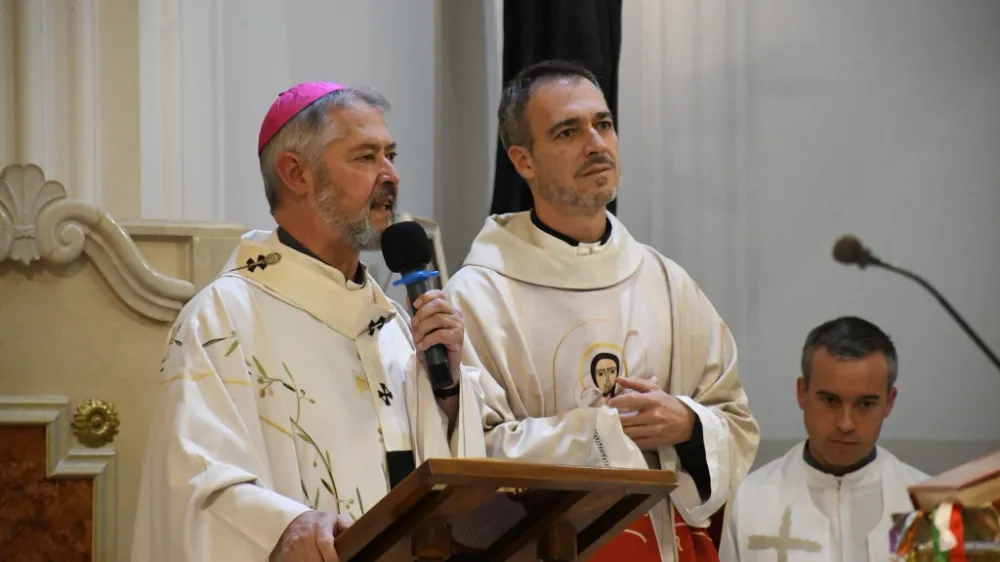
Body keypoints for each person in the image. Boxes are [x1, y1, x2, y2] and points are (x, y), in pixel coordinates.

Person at [131, 82, 486, 562]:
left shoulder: (395, 321)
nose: (392, 176)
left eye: (391, 155)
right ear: (296, 173)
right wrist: (284, 526)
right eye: (366, 158)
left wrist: (448, 397)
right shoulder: (223, 319)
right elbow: (195, 483)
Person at [443, 60, 760, 562]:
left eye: (604, 124)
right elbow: (469, 456)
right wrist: (599, 433)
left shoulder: (665, 282)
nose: (596, 144)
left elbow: (735, 420)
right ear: (523, 161)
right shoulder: (480, 295)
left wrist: (688, 425)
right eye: (568, 131)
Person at [720, 316, 928, 562]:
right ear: (802, 393)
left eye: (865, 404)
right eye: (830, 400)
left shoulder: (927, 507)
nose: (845, 424)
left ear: (889, 402)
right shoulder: (749, 501)